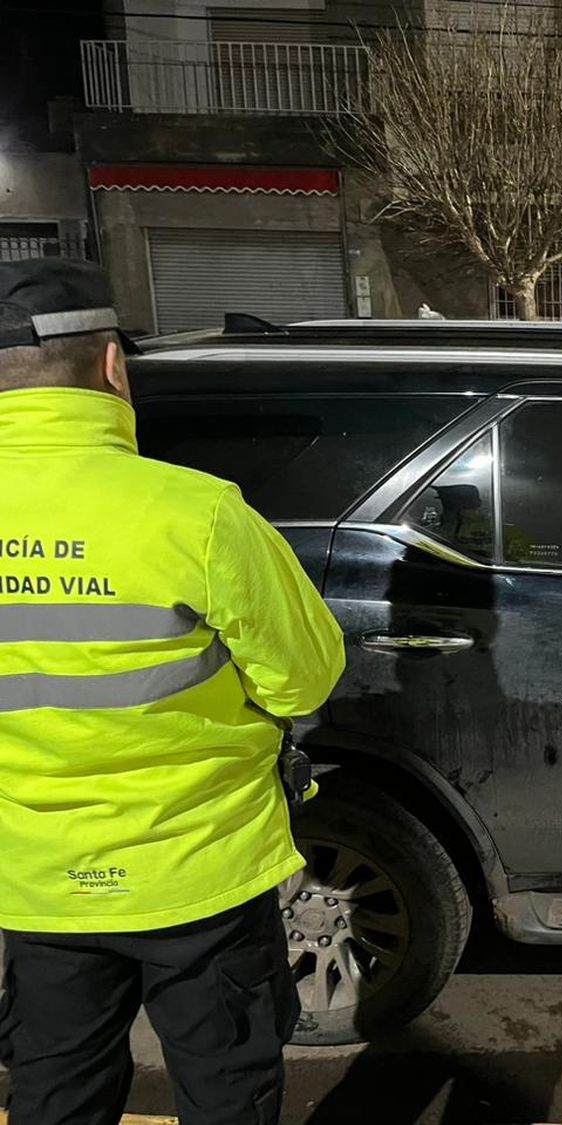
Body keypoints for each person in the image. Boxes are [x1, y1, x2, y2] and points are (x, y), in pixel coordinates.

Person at [0, 258, 346, 1125]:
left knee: (54, 1092)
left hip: (35, 880)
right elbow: (307, 675)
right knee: (227, 1089)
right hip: (204, 873)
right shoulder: (196, 513)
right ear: (113, 366)